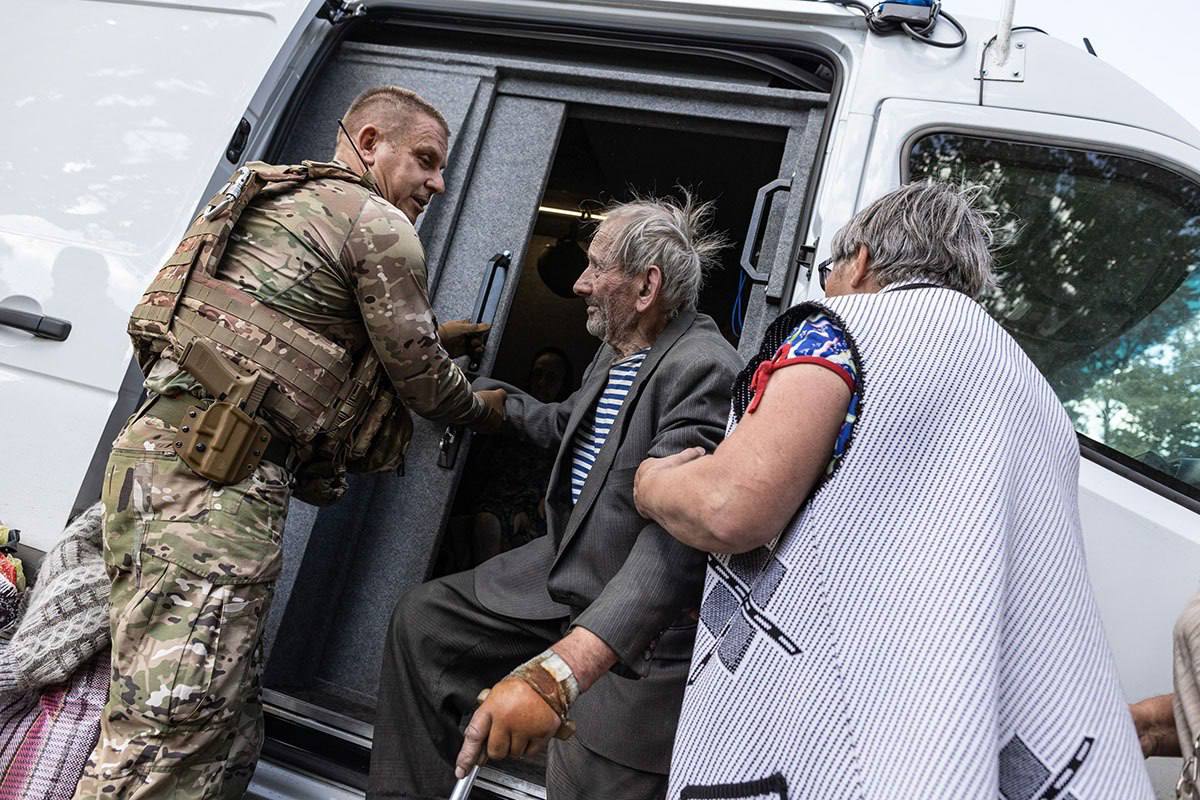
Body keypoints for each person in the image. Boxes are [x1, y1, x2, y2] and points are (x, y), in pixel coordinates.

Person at [633, 182, 1153, 799]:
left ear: (860, 262)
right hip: (945, 717)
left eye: (827, 272)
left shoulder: (843, 331)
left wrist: (654, 484)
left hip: (839, 724)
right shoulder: (1032, 389)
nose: (826, 288)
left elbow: (730, 508)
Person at [73, 85, 505, 800]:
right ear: (370, 142)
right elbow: (423, 380)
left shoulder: (272, 195)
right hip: (212, 491)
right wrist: (483, 411)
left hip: (161, 462)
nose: (437, 183)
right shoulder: (378, 223)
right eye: (427, 160)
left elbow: (292, 319)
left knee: (223, 723)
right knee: (170, 726)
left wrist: (438, 336)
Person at [368, 195, 741, 800]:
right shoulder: (616, 350)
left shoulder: (703, 367)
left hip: (618, 592)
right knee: (425, 621)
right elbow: (573, 425)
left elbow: (675, 537)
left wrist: (568, 667)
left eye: (596, 267)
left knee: (590, 770)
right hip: (560, 569)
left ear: (646, 288)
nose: (579, 284)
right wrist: (487, 404)